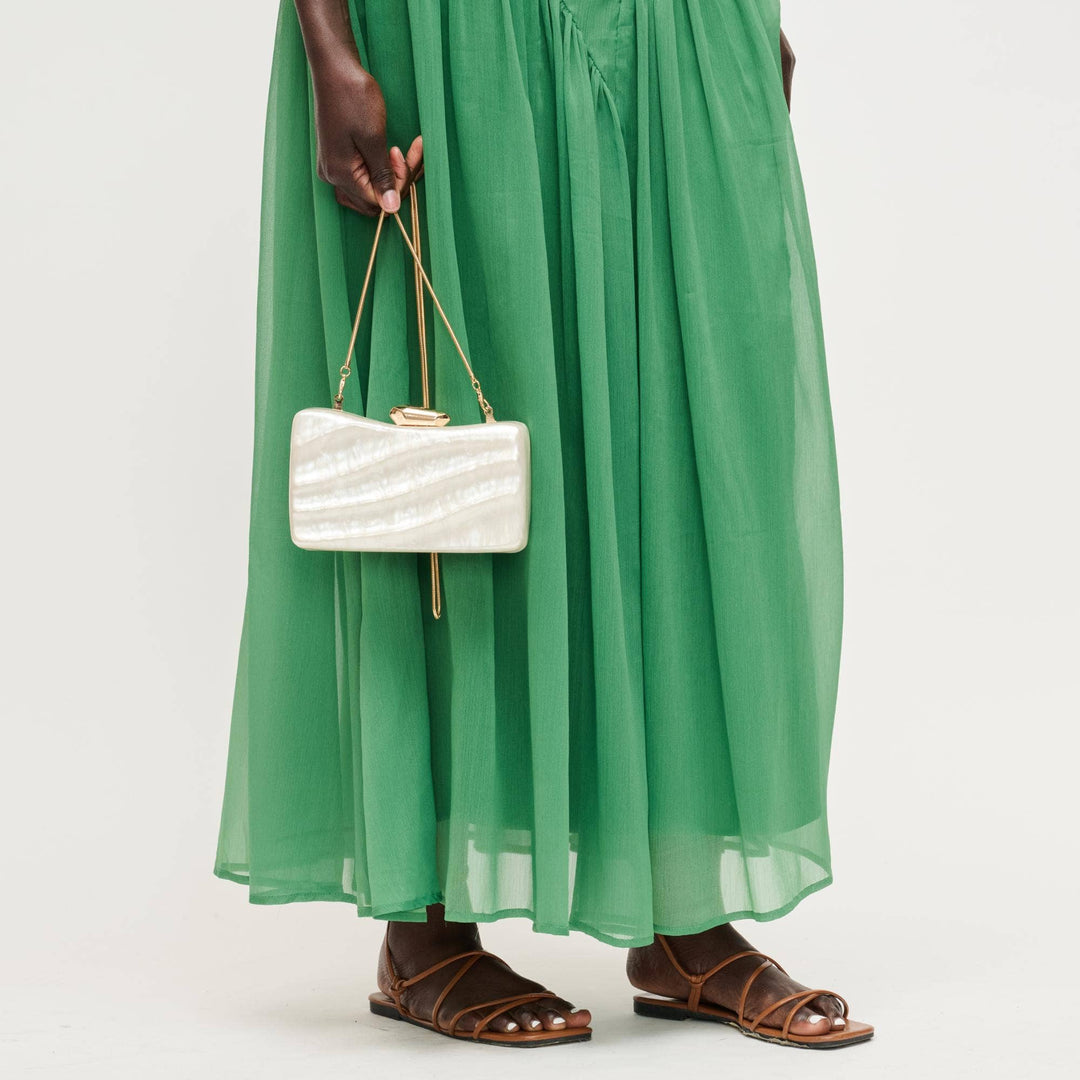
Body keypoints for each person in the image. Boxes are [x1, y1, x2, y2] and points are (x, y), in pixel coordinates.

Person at [215, 0, 873, 1050]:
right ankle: (423, 931)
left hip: (672, 29)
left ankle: (683, 917)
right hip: (451, 30)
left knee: (681, 428)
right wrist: (329, 42)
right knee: (441, 430)